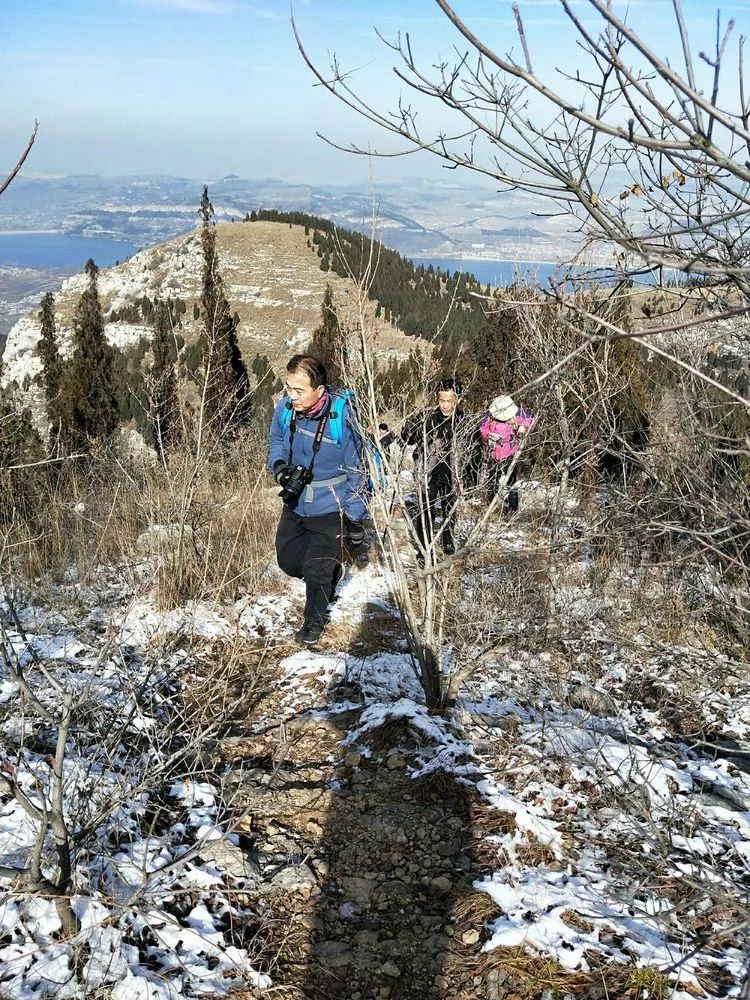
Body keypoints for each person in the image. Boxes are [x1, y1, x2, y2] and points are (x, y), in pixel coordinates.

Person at [268, 354, 367, 644]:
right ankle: (328, 571)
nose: (292, 396)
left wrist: (355, 518)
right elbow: (275, 439)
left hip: (331, 504)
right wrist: (279, 467)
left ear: (319, 390)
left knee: (317, 568)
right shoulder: (286, 409)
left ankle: (315, 619)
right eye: (288, 388)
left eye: (299, 391)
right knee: (287, 561)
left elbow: (357, 468)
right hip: (296, 500)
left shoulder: (343, 417)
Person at [401, 377, 480, 559]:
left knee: (450, 510)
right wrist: (408, 430)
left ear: (457, 399)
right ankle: (424, 549)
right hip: (428, 473)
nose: (445, 405)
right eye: (442, 400)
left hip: (453, 473)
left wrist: (471, 480)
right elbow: (408, 440)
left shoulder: (465, 422)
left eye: (449, 401)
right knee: (425, 511)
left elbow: (475, 452)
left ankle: (447, 539)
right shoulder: (426, 417)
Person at [479, 394, 536, 514]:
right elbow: (482, 430)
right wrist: (489, 436)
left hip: (511, 453)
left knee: (512, 481)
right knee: (493, 480)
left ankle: (513, 508)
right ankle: (492, 506)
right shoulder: (489, 418)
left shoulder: (516, 416)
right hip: (493, 453)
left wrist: (522, 427)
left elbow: (531, 418)